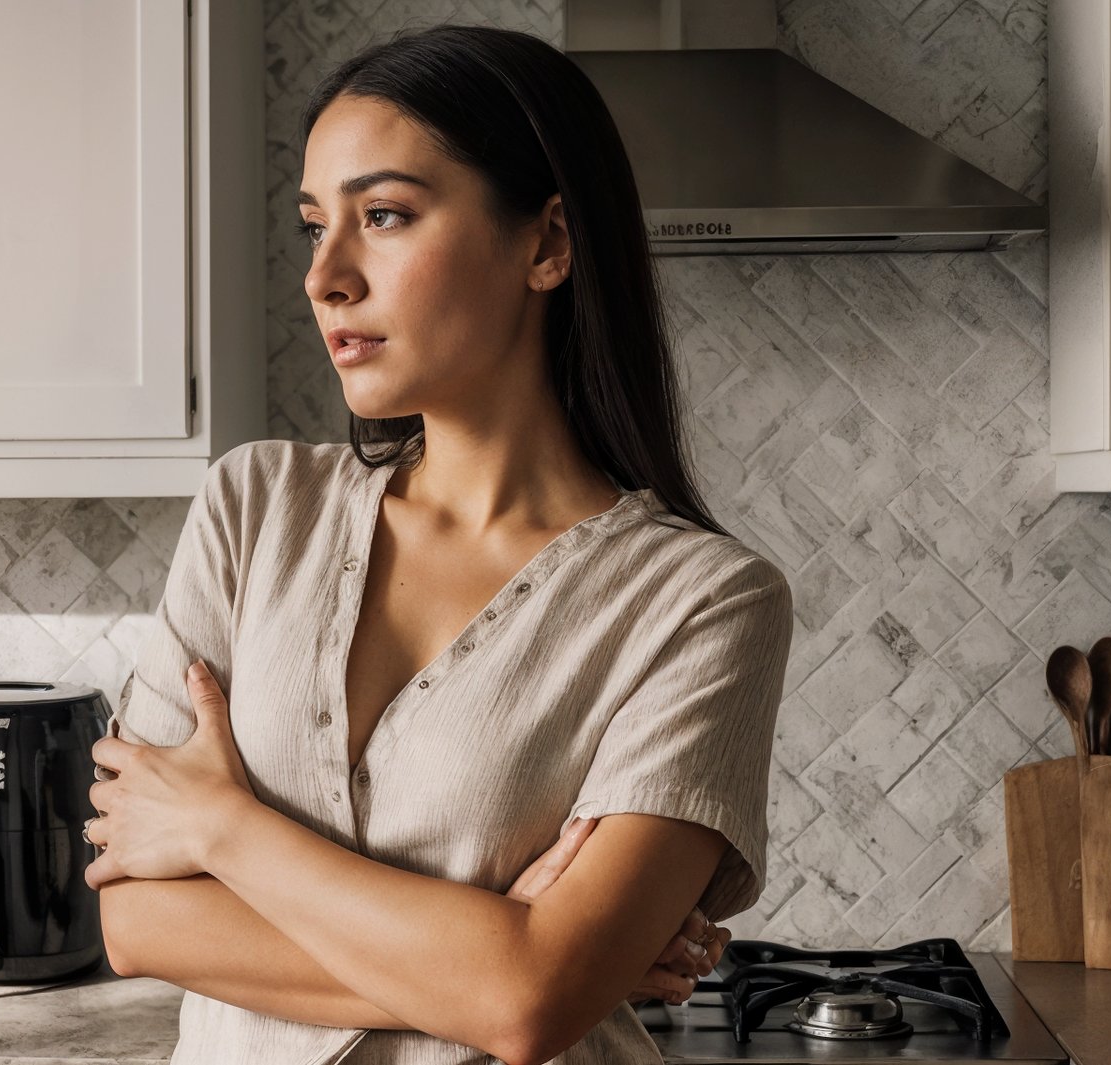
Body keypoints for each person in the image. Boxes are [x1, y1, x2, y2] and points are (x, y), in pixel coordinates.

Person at [80, 24, 793, 1065]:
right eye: (315, 226)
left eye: (384, 216)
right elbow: (138, 921)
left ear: (547, 243)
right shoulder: (253, 507)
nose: (326, 276)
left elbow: (531, 1003)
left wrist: (221, 829)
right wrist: (496, 954)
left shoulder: (704, 601)